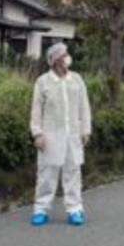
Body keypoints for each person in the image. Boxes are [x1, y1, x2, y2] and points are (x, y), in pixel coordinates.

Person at [29, 42, 92, 226]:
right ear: (56, 60)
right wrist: (37, 133)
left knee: (73, 172)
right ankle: (41, 209)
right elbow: (36, 110)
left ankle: (75, 209)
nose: (67, 57)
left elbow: (84, 106)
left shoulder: (77, 79)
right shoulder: (43, 82)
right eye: (64, 55)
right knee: (46, 174)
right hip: (50, 135)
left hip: (73, 134)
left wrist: (85, 130)